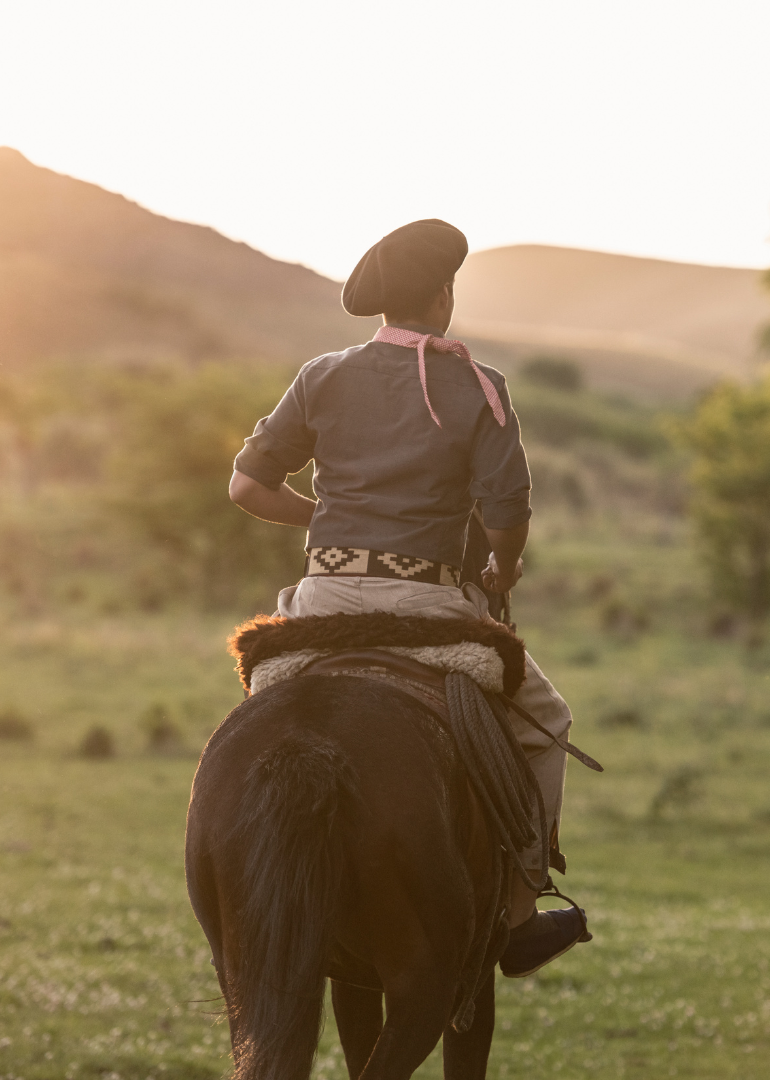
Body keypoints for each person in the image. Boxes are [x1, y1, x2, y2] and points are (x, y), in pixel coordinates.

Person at [229, 219, 588, 978]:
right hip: (425, 603)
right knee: (548, 720)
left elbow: (248, 487)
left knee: (258, 711)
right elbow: (505, 514)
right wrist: (504, 569)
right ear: (442, 293)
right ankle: (521, 913)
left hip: (321, 600)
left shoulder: (320, 375)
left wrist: (319, 517)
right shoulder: (478, 386)